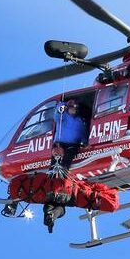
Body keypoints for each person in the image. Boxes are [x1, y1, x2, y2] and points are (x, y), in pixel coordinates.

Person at [43, 98, 88, 232]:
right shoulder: (64, 117)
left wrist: (86, 142)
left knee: (63, 168)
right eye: (71, 108)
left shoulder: (80, 121)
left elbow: (83, 135)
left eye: (74, 109)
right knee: (54, 172)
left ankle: (50, 215)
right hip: (59, 146)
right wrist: (60, 107)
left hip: (71, 147)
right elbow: (57, 115)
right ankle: (51, 216)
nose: (73, 110)